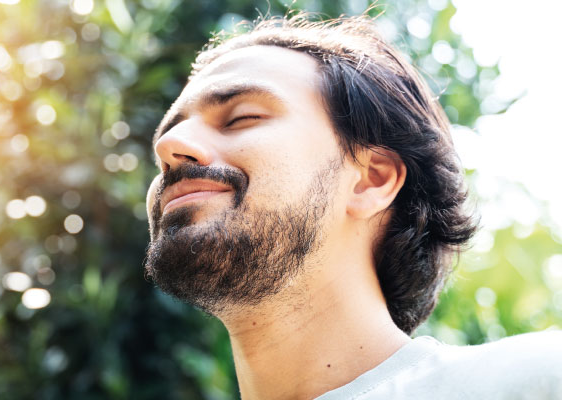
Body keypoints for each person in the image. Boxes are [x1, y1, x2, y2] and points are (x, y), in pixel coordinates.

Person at [144, 13, 562, 400]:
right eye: (171, 131)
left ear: (371, 179)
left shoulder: (535, 380)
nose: (168, 146)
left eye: (242, 117)